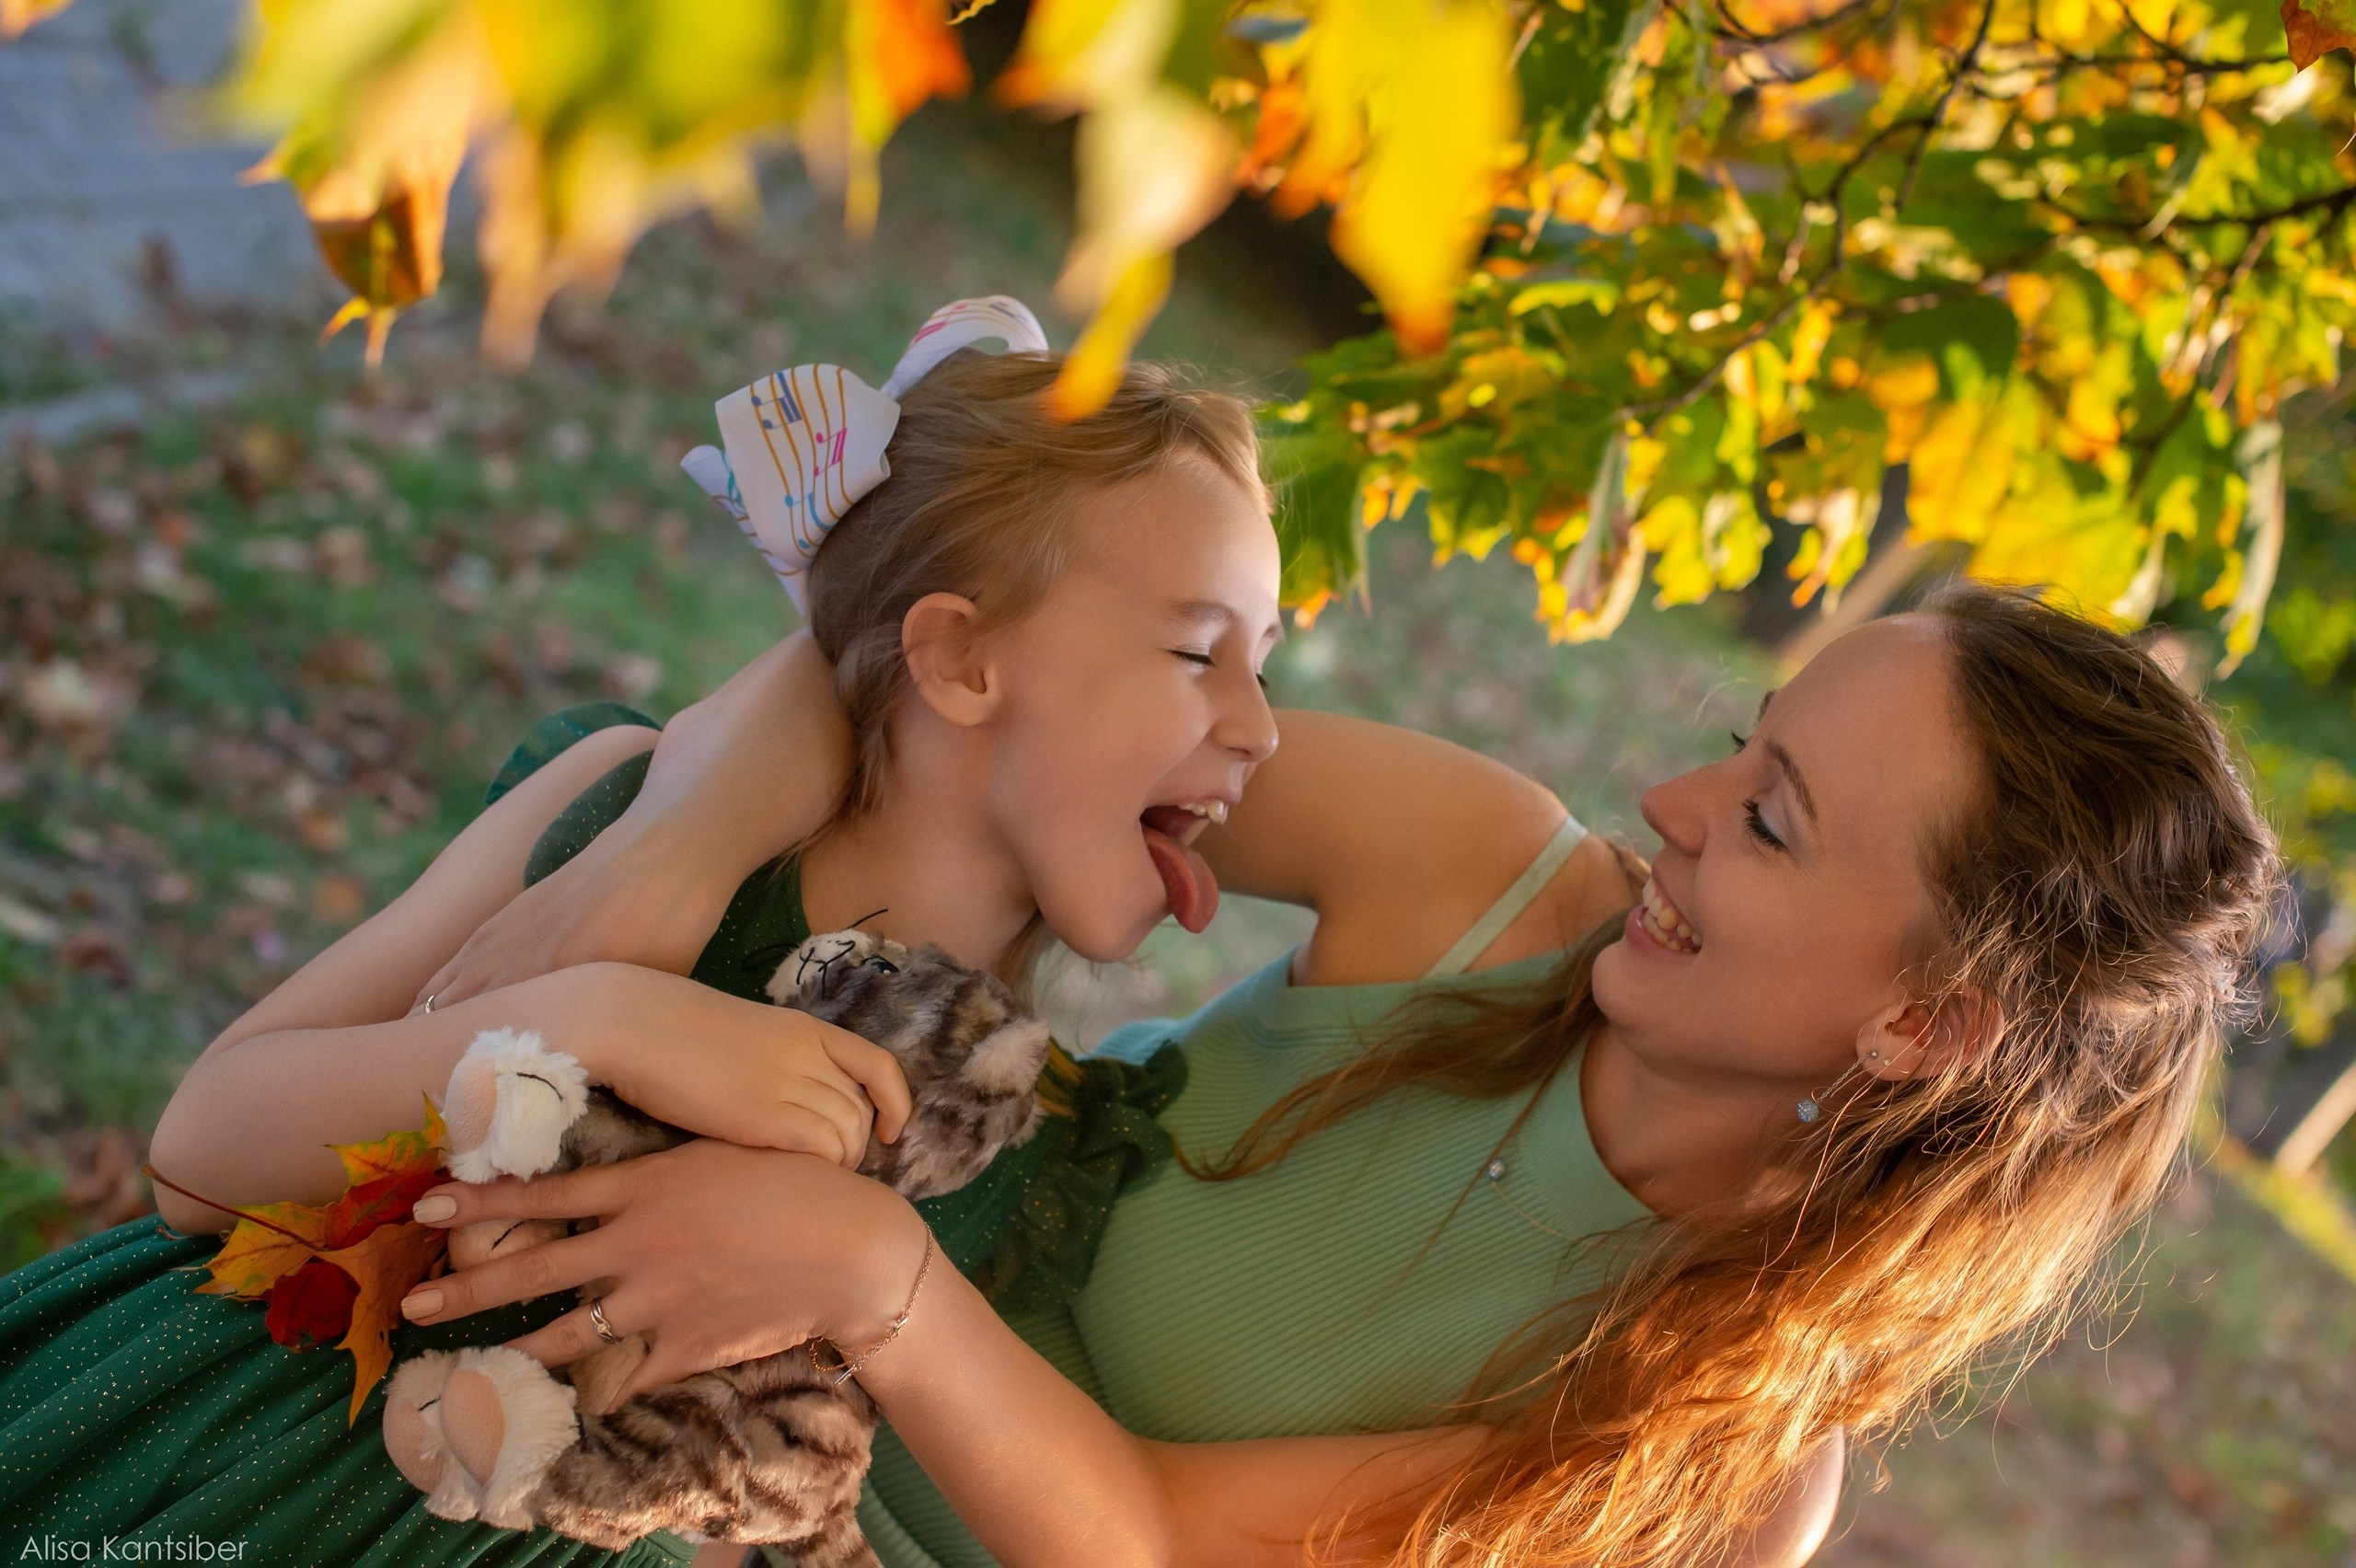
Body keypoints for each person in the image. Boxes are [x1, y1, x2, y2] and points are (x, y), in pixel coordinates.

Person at [407, 582, 2280, 1568]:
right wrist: (670, 849)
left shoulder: (1715, 1458)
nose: (1668, 803)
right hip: (680, 1369)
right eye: (1737, 741)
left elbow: (1147, 1543)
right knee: (611, 775)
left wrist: (868, 1280)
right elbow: (985, 683)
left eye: (1767, 820)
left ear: (1919, 1027)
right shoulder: (1481, 883)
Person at [0, 304, 1294, 1565]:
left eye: (1268, 662)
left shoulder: (1002, 1138)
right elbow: (201, 1153)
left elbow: (752, 1484)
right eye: (1198, 653)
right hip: (207, 1466)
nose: (1263, 727)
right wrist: (600, 1017)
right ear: (958, 661)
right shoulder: (614, 816)